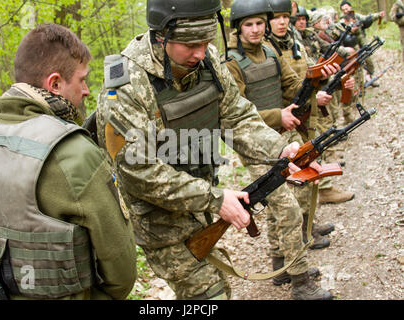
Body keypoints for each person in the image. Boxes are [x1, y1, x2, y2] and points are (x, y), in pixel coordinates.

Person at [96, 0, 332, 300]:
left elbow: (237, 116)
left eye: (206, 41)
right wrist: (215, 199)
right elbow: (137, 172)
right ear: (161, 36)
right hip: (159, 220)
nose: (200, 51)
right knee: (211, 294)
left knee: (221, 287)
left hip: (201, 204)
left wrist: (281, 150)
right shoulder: (127, 85)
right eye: (190, 44)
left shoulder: (206, 59)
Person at [0, 23, 137, 300]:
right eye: (81, 80)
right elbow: (121, 271)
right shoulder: (73, 153)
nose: (86, 90)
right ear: (54, 83)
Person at [226, 0, 339, 257]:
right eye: (248, 24)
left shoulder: (269, 50)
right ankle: (295, 272)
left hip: (284, 135)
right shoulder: (230, 62)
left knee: (300, 190)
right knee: (283, 205)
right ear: (238, 28)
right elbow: (236, 111)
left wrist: (317, 85)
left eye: (259, 24)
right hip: (255, 143)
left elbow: (291, 85)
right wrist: (278, 116)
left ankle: (282, 258)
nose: (255, 29)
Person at [266, 0, 356, 207]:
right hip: (283, 119)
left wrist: (330, 83)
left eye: (285, 17)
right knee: (292, 179)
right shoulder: (267, 49)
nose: (282, 22)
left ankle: (312, 215)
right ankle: (306, 223)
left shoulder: (294, 44)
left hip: (305, 110)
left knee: (310, 163)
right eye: (276, 18)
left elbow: (309, 74)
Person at [339, 0, 386, 84]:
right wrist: (350, 31)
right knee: (356, 64)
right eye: (343, 10)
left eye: (347, 9)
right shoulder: (342, 21)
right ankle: (359, 84)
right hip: (352, 45)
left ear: (350, 7)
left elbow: (367, 18)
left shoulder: (357, 16)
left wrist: (378, 15)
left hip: (362, 41)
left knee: (369, 60)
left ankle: (370, 78)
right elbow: (341, 34)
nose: (346, 11)